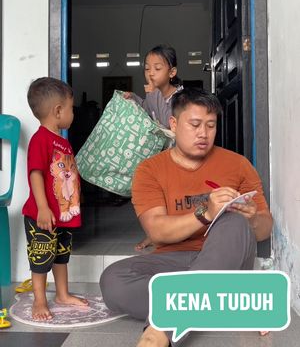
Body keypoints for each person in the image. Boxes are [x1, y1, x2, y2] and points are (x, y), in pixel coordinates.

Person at [100, 87, 273, 346]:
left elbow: (264, 229)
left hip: (226, 257)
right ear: (173, 123)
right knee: (113, 280)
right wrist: (205, 213)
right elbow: (157, 231)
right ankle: (221, 301)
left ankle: (160, 329)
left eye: (211, 125)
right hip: (174, 261)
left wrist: (252, 219)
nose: (203, 133)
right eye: (194, 124)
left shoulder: (238, 165)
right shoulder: (150, 170)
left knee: (234, 220)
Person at [22, 77, 88, 321]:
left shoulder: (62, 142)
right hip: (42, 215)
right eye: (71, 108)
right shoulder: (40, 139)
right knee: (41, 257)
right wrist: (42, 207)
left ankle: (62, 294)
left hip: (63, 214)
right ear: (58, 111)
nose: (73, 113)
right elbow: (36, 173)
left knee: (61, 255)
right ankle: (40, 300)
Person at [125, 44, 183, 250]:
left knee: (173, 193)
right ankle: (153, 233)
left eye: (157, 68)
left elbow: (167, 121)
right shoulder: (154, 93)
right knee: (155, 195)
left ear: (172, 72)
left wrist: (151, 94)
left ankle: (173, 234)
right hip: (160, 155)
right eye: (147, 68)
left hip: (178, 156)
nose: (151, 73)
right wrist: (134, 98)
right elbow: (148, 112)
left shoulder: (179, 97)